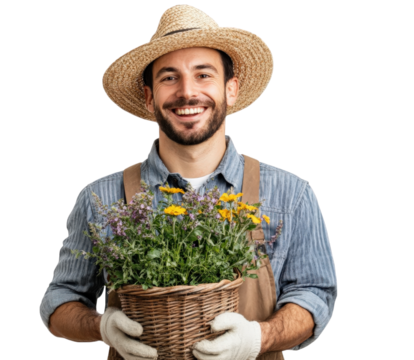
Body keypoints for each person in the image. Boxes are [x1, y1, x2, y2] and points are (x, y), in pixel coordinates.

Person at [38, 4, 338, 360]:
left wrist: (259, 338)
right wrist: (101, 326)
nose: (187, 92)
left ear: (231, 89)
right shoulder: (100, 197)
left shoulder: (292, 195)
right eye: (169, 77)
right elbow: (58, 303)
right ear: (150, 98)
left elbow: (315, 294)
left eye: (203, 74)